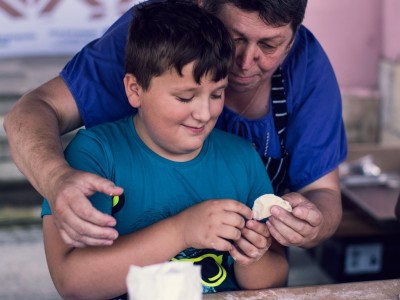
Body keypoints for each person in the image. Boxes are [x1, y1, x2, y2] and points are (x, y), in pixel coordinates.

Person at [4, 0, 347, 249]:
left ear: (293, 39)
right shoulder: (157, 39)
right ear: (203, 8)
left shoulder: (306, 65)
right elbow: (32, 111)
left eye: (269, 46)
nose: (243, 63)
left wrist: (312, 223)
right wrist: (55, 178)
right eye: (235, 37)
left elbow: (324, 192)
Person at [41, 2, 288, 299]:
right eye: (185, 97)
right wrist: (182, 231)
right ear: (135, 89)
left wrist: (252, 256)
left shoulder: (243, 159)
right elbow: (72, 282)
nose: (204, 113)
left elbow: (276, 277)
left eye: (217, 94)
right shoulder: (95, 155)